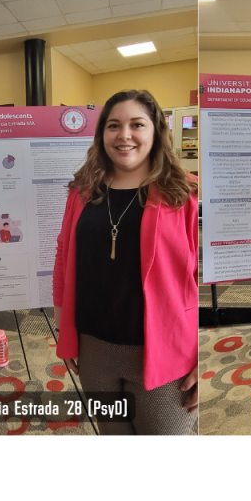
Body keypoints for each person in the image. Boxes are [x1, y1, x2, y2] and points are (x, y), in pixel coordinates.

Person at [52, 89, 200, 435]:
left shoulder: (184, 192)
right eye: (114, 125)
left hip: (165, 350)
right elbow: (64, 256)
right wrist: (64, 330)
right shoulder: (82, 191)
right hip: (94, 349)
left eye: (137, 124)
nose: (124, 135)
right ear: (102, 133)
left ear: (156, 131)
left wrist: (203, 352)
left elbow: (204, 277)